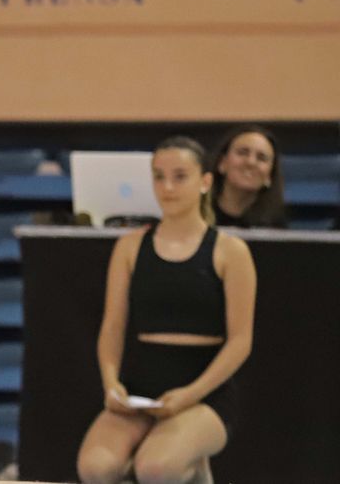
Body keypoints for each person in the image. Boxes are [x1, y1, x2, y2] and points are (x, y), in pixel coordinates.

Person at [76, 137, 255, 484]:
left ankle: (195, 469)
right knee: (96, 468)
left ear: (205, 182)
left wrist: (191, 394)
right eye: (158, 177)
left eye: (179, 176)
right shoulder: (130, 247)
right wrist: (111, 384)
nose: (167, 187)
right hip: (142, 386)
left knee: (156, 468)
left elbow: (240, 341)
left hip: (205, 391)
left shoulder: (230, 251)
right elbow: (113, 326)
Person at [208, 126, 286, 229]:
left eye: (261, 158)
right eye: (243, 153)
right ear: (222, 163)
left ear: (269, 176)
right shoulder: (195, 216)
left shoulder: (277, 230)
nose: (251, 162)